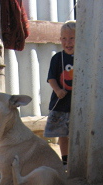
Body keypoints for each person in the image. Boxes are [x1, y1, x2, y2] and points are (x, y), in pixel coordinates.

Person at [43, 20, 76, 167]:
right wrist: (57, 90)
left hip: (78, 105)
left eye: (72, 38)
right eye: (64, 38)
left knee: (77, 133)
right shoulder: (57, 58)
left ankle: (78, 160)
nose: (67, 42)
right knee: (63, 134)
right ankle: (65, 160)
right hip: (62, 103)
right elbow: (51, 78)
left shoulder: (85, 57)